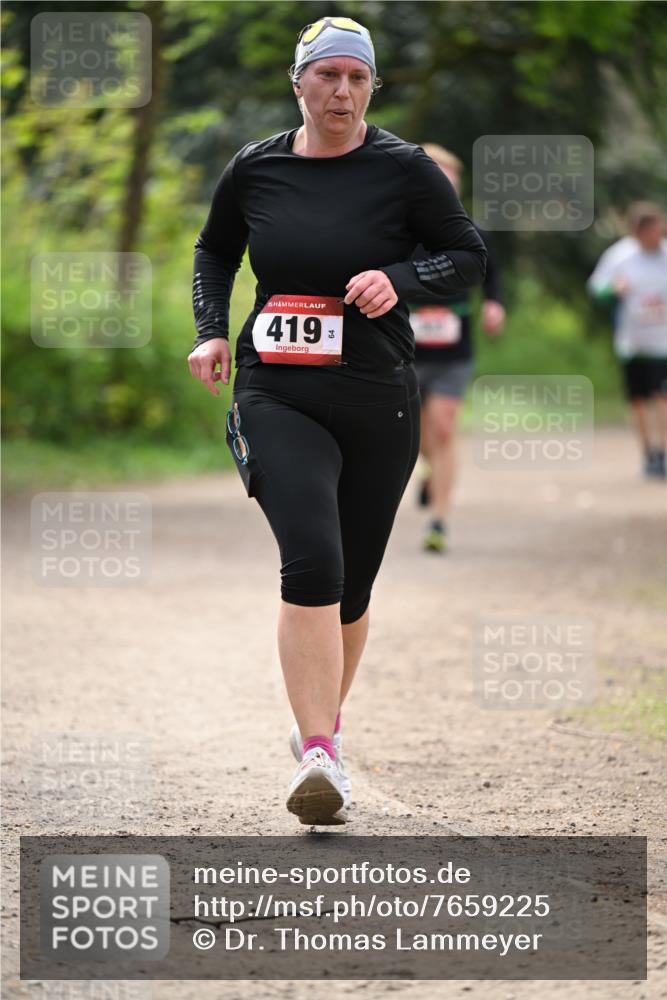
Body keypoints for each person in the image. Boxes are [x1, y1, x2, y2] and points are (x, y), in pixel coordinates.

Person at [188, 16, 487, 825]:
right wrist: (210, 330)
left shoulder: (405, 169)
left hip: (377, 394)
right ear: (299, 83)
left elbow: (467, 256)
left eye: (357, 78)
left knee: (352, 587)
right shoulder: (256, 167)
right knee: (312, 559)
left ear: (371, 87)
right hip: (274, 389)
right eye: (327, 76)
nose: (342, 92)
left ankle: (322, 726)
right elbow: (214, 251)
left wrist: (400, 278)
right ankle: (320, 754)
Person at [410, 145, 505, 553]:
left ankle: (439, 521)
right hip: (406, 351)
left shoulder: (470, 231)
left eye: (451, 179)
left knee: (444, 427)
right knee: (413, 436)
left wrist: (495, 305)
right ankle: (428, 468)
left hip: (454, 351)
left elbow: (492, 273)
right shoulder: (400, 229)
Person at [588, 203, 667, 479]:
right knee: (639, 400)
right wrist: (613, 289)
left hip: (663, 344)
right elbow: (596, 288)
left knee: (663, 397)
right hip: (632, 343)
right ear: (638, 232)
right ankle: (649, 454)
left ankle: (664, 452)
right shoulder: (620, 256)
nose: (657, 235)